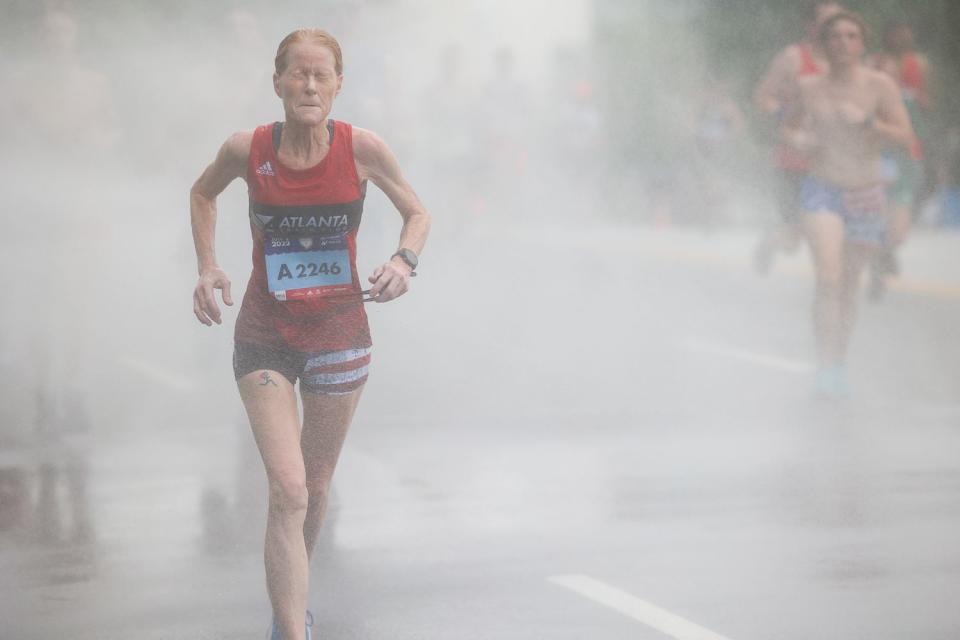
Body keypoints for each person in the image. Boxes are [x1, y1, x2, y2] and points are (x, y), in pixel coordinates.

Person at [189, 29, 430, 639]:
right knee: (289, 487)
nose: (310, 86)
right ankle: (292, 630)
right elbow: (201, 192)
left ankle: (288, 603)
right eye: (298, 74)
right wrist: (208, 266)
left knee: (315, 490)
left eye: (322, 75)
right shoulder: (249, 149)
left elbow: (418, 212)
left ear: (339, 86)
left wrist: (403, 262)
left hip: (340, 332)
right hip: (265, 333)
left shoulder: (362, 149)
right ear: (277, 83)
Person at [783, 11, 914, 395]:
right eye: (835, 37)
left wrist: (868, 123)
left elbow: (905, 136)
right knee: (827, 277)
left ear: (862, 44)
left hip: (864, 193)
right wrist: (799, 141)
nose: (842, 43)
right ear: (824, 45)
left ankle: (838, 363)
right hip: (822, 189)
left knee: (848, 286)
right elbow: (788, 127)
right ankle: (824, 365)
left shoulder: (880, 86)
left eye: (851, 36)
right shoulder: (808, 87)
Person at [752, 1, 842, 273]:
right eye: (828, 24)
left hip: (834, 165)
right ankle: (770, 243)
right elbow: (763, 97)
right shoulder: (794, 57)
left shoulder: (847, 64)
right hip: (795, 162)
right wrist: (788, 121)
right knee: (793, 240)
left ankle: (835, 290)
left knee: (832, 233)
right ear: (812, 27)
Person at [867, 20, 932, 299]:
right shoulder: (873, 63)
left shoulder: (920, 66)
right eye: (897, 32)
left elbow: (927, 103)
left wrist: (914, 100)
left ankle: (886, 253)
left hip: (907, 152)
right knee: (878, 215)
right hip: (879, 152)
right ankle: (876, 269)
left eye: (907, 31)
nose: (902, 36)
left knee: (899, 227)